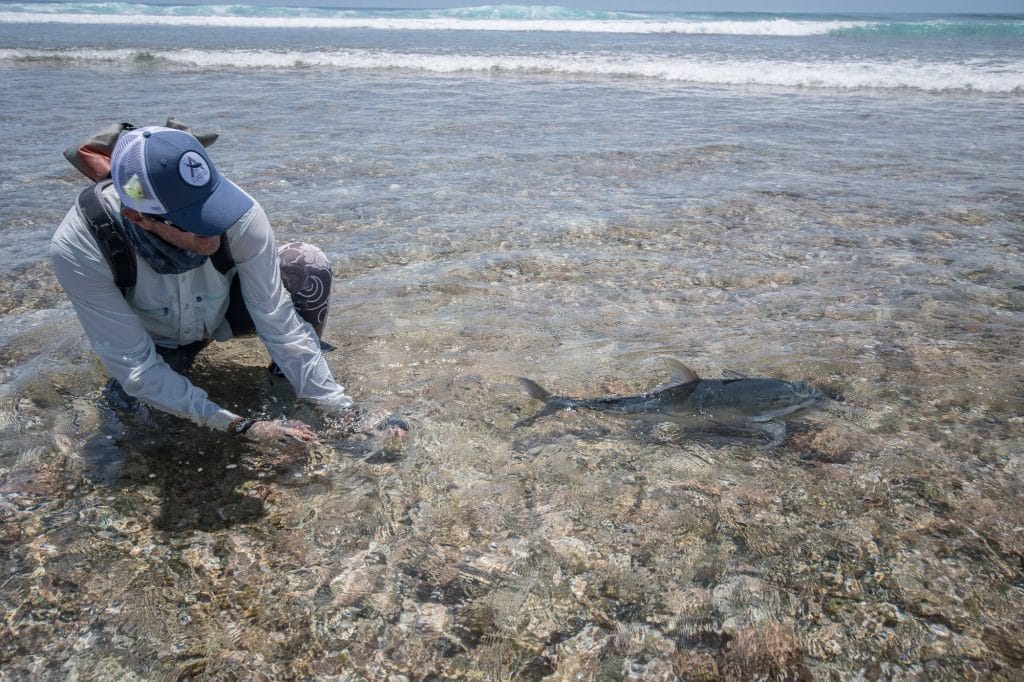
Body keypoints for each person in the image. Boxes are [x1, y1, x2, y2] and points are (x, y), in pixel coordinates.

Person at [51, 124, 394, 450]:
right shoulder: (80, 245)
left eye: (215, 210)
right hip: (155, 339)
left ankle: (286, 380)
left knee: (308, 264)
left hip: (222, 313)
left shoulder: (242, 213)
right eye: (195, 224)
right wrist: (241, 425)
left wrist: (346, 411)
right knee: (144, 431)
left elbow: (280, 322)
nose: (214, 229)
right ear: (137, 216)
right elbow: (137, 368)